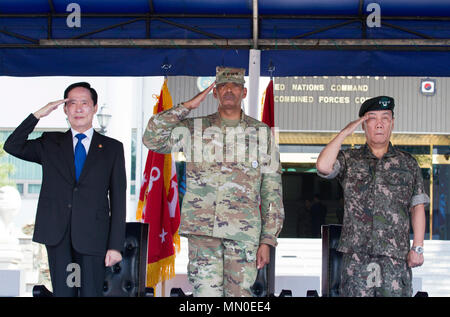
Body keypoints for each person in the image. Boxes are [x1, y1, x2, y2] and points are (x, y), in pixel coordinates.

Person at [142, 67, 284, 297]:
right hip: (203, 233)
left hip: (243, 234)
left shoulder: (262, 133)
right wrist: (187, 107)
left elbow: (272, 190)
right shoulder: (194, 129)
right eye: (222, 86)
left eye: (235, 86)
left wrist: (268, 240)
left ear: (244, 92)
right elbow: (151, 139)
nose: (229, 90)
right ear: (214, 93)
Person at [4, 82, 127, 297]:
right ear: (64, 109)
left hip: (93, 236)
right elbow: (12, 145)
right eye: (72, 103)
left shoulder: (112, 148)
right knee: (64, 293)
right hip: (57, 234)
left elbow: (118, 199)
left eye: (84, 103)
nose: (78, 109)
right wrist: (38, 115)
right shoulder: (50, 143)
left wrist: (115, 245)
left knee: (90, 293)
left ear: (95, 107)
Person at [315, 96, 429, 297]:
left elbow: (417, 206)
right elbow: (323, 166)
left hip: (395, 259)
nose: (379, 124)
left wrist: (417, 247)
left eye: (385, 118)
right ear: (363, 125)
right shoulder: (349, 159)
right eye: (372, 118)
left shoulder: (408, 163)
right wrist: (344, 133)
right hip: (357, 259)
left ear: (392, 123)